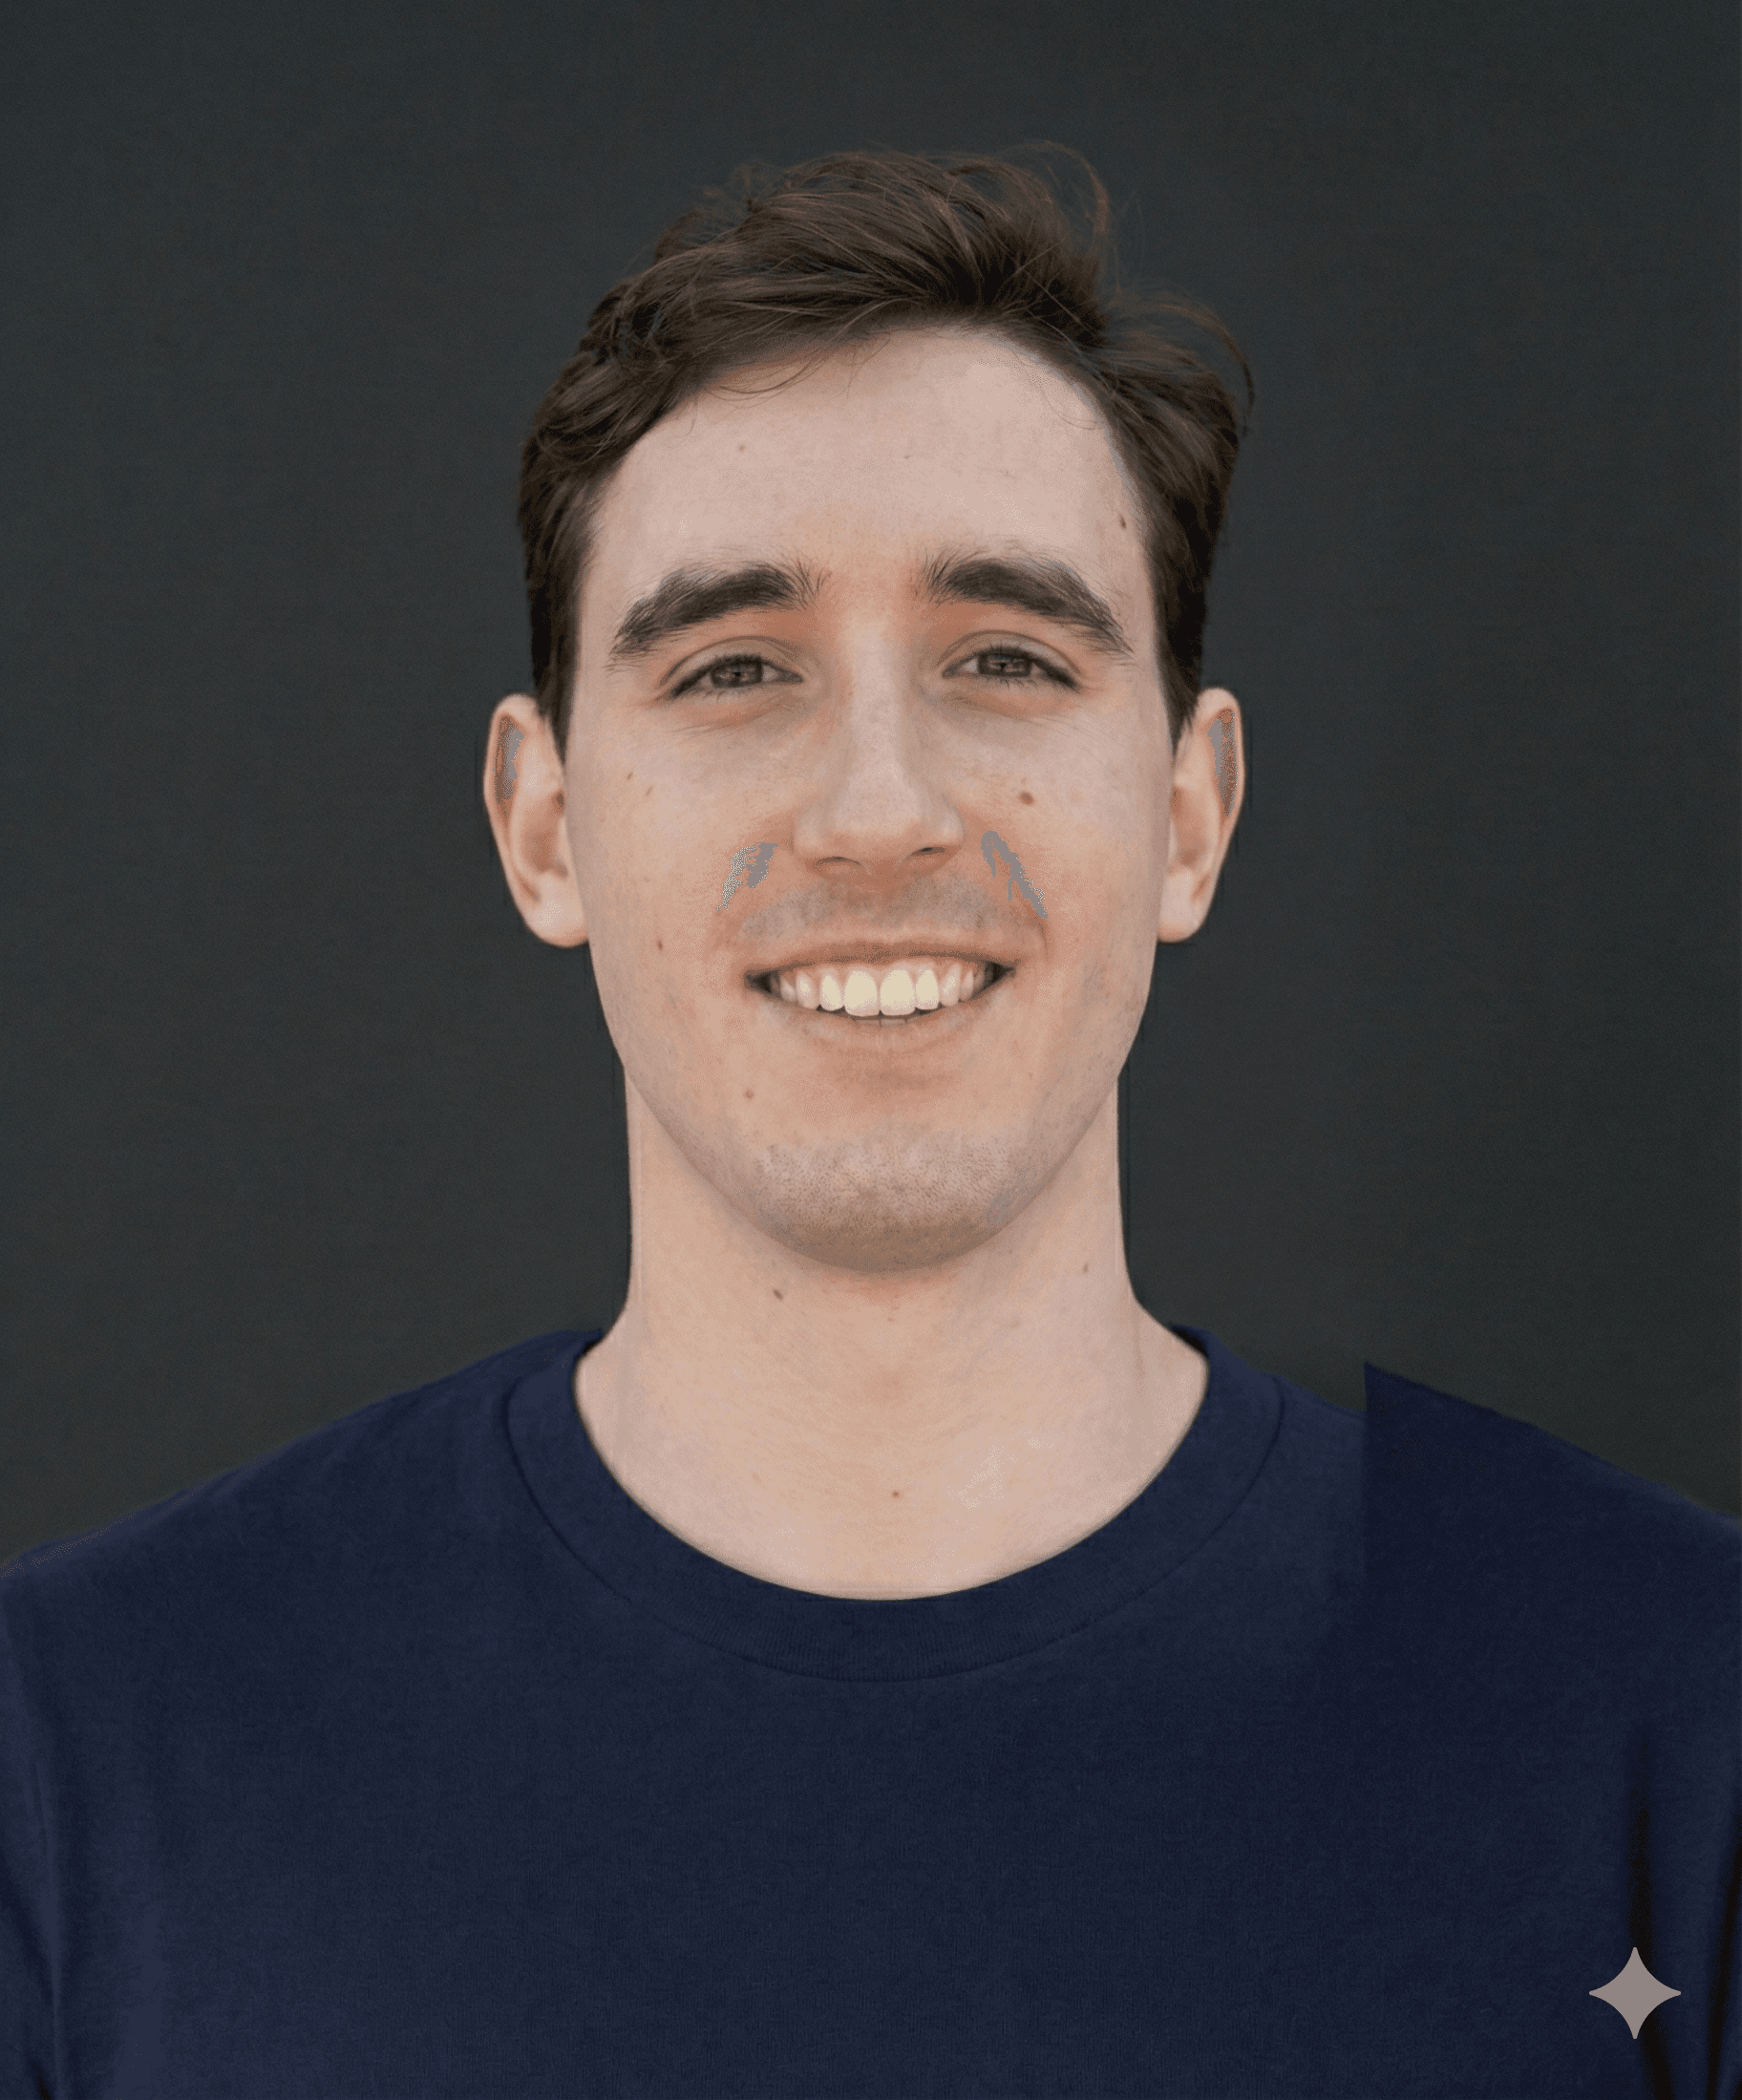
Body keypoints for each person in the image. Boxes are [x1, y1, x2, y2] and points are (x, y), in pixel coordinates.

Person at [1, 147, 1733, 2098]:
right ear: (543, 825)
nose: (881, 809)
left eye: (1008, 658)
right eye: (735, 669)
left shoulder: (1673, 1708)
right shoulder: (76, 1747)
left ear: (1190, 811)